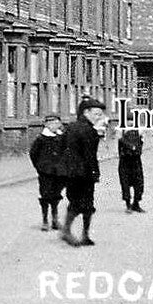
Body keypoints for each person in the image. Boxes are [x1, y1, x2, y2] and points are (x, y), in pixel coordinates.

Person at [62, 97, 106, 246]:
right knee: (82, 203)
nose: (98, 117)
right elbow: (89, 155)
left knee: (81, 203)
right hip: (81, 174)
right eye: (96, 114)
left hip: (76, 173)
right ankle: (69, 232)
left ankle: (81, 234)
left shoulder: (72, 127)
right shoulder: (87, 130)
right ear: (86, 112)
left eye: (100, 114)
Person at [30, 114, 66, 231]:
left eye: (56, 123)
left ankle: (55, 220)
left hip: (59, 172)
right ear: (46, 125)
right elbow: (33, 154)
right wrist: (40, 167)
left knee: (56, 195)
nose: (54, 126)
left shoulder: (62, 137)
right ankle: (45, 220)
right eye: (51, 123)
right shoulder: (41, 138)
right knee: (45, 195)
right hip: (45, 172)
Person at [118, 113, 145, 213]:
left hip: (134, 160)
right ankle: (129, 204)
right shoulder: (122, 130)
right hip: (126, 160)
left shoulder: (138, 130)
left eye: (132, 120)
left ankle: (136, 204)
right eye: (129, 120)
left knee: (139, 183)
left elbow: (142, 142)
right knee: (125, 183)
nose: (130, 122)